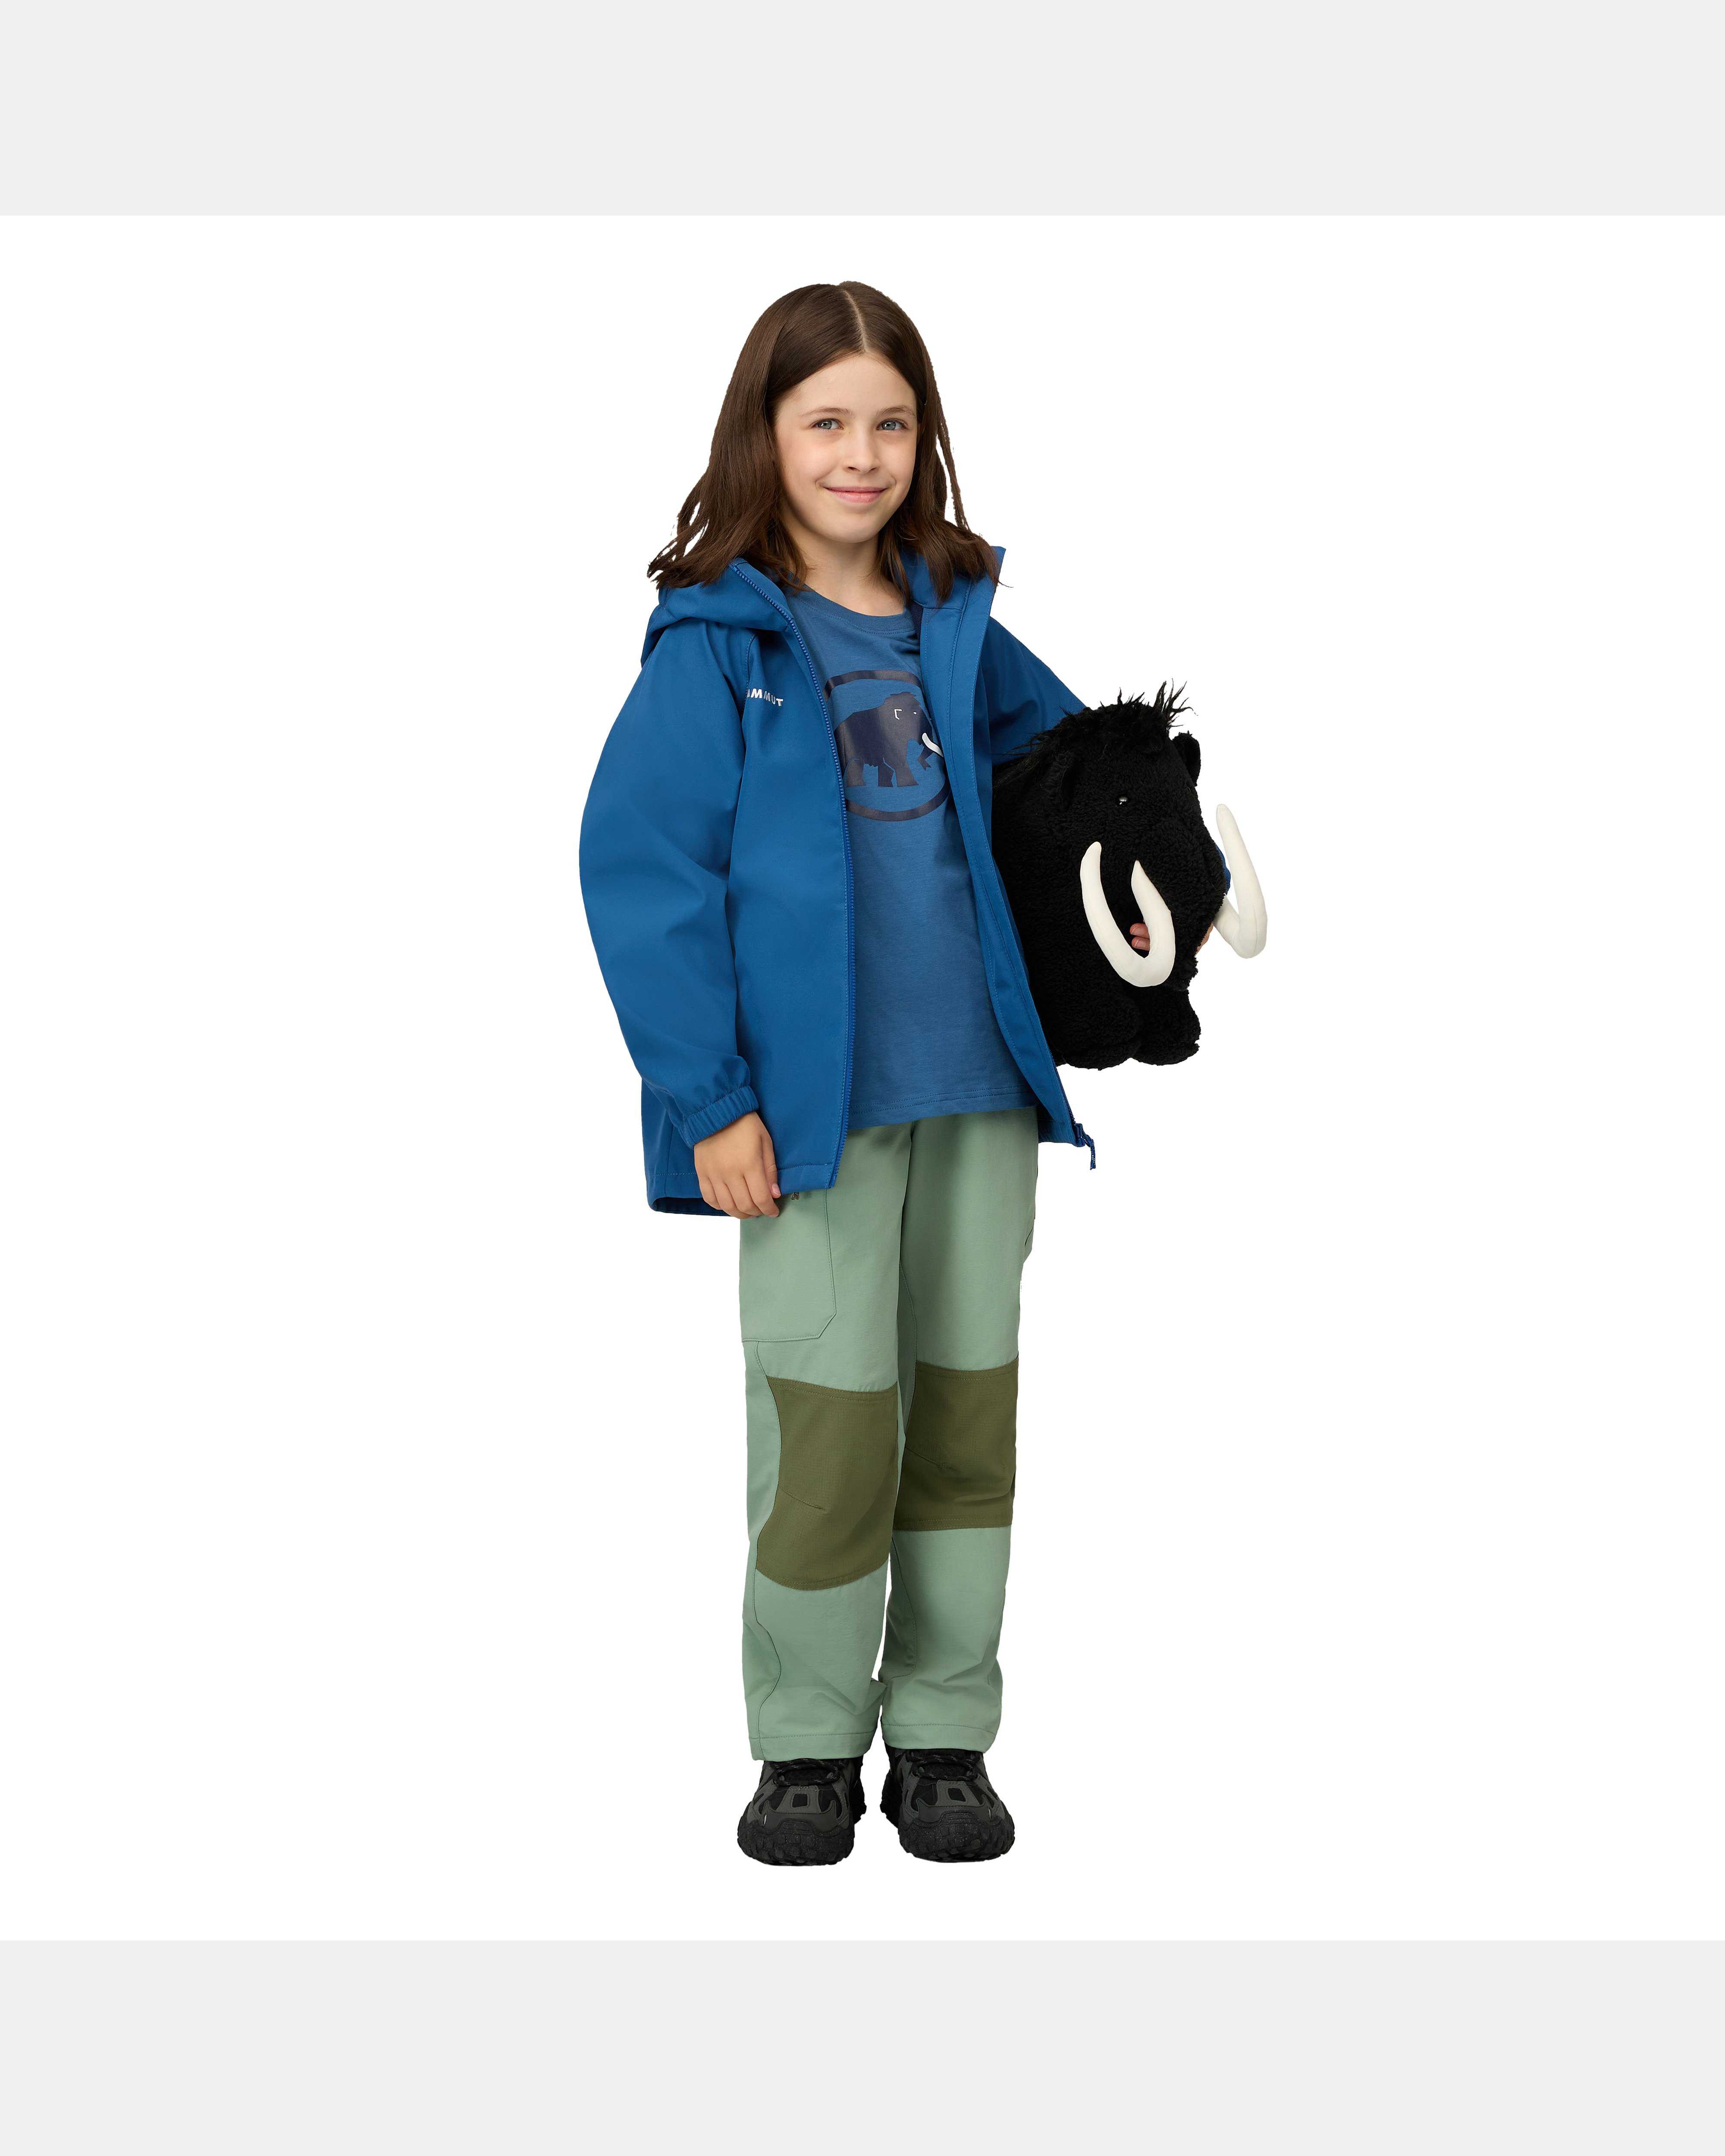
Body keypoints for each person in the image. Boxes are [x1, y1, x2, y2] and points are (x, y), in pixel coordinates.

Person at [580, 282, 1152, 1868]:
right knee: (831, 1430)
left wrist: (1165, 847)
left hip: (979, 1094)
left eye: (891, 423)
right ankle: (808, 1741)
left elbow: (1071, 788)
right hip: (807, 1125)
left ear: (925, 438)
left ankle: (946, 1731)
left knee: (965, 1415)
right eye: (826, 420)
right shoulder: (720, 645)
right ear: (764, 434)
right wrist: (712, 1103)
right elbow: (645, 878)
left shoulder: (957, 622)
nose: (861, 453)